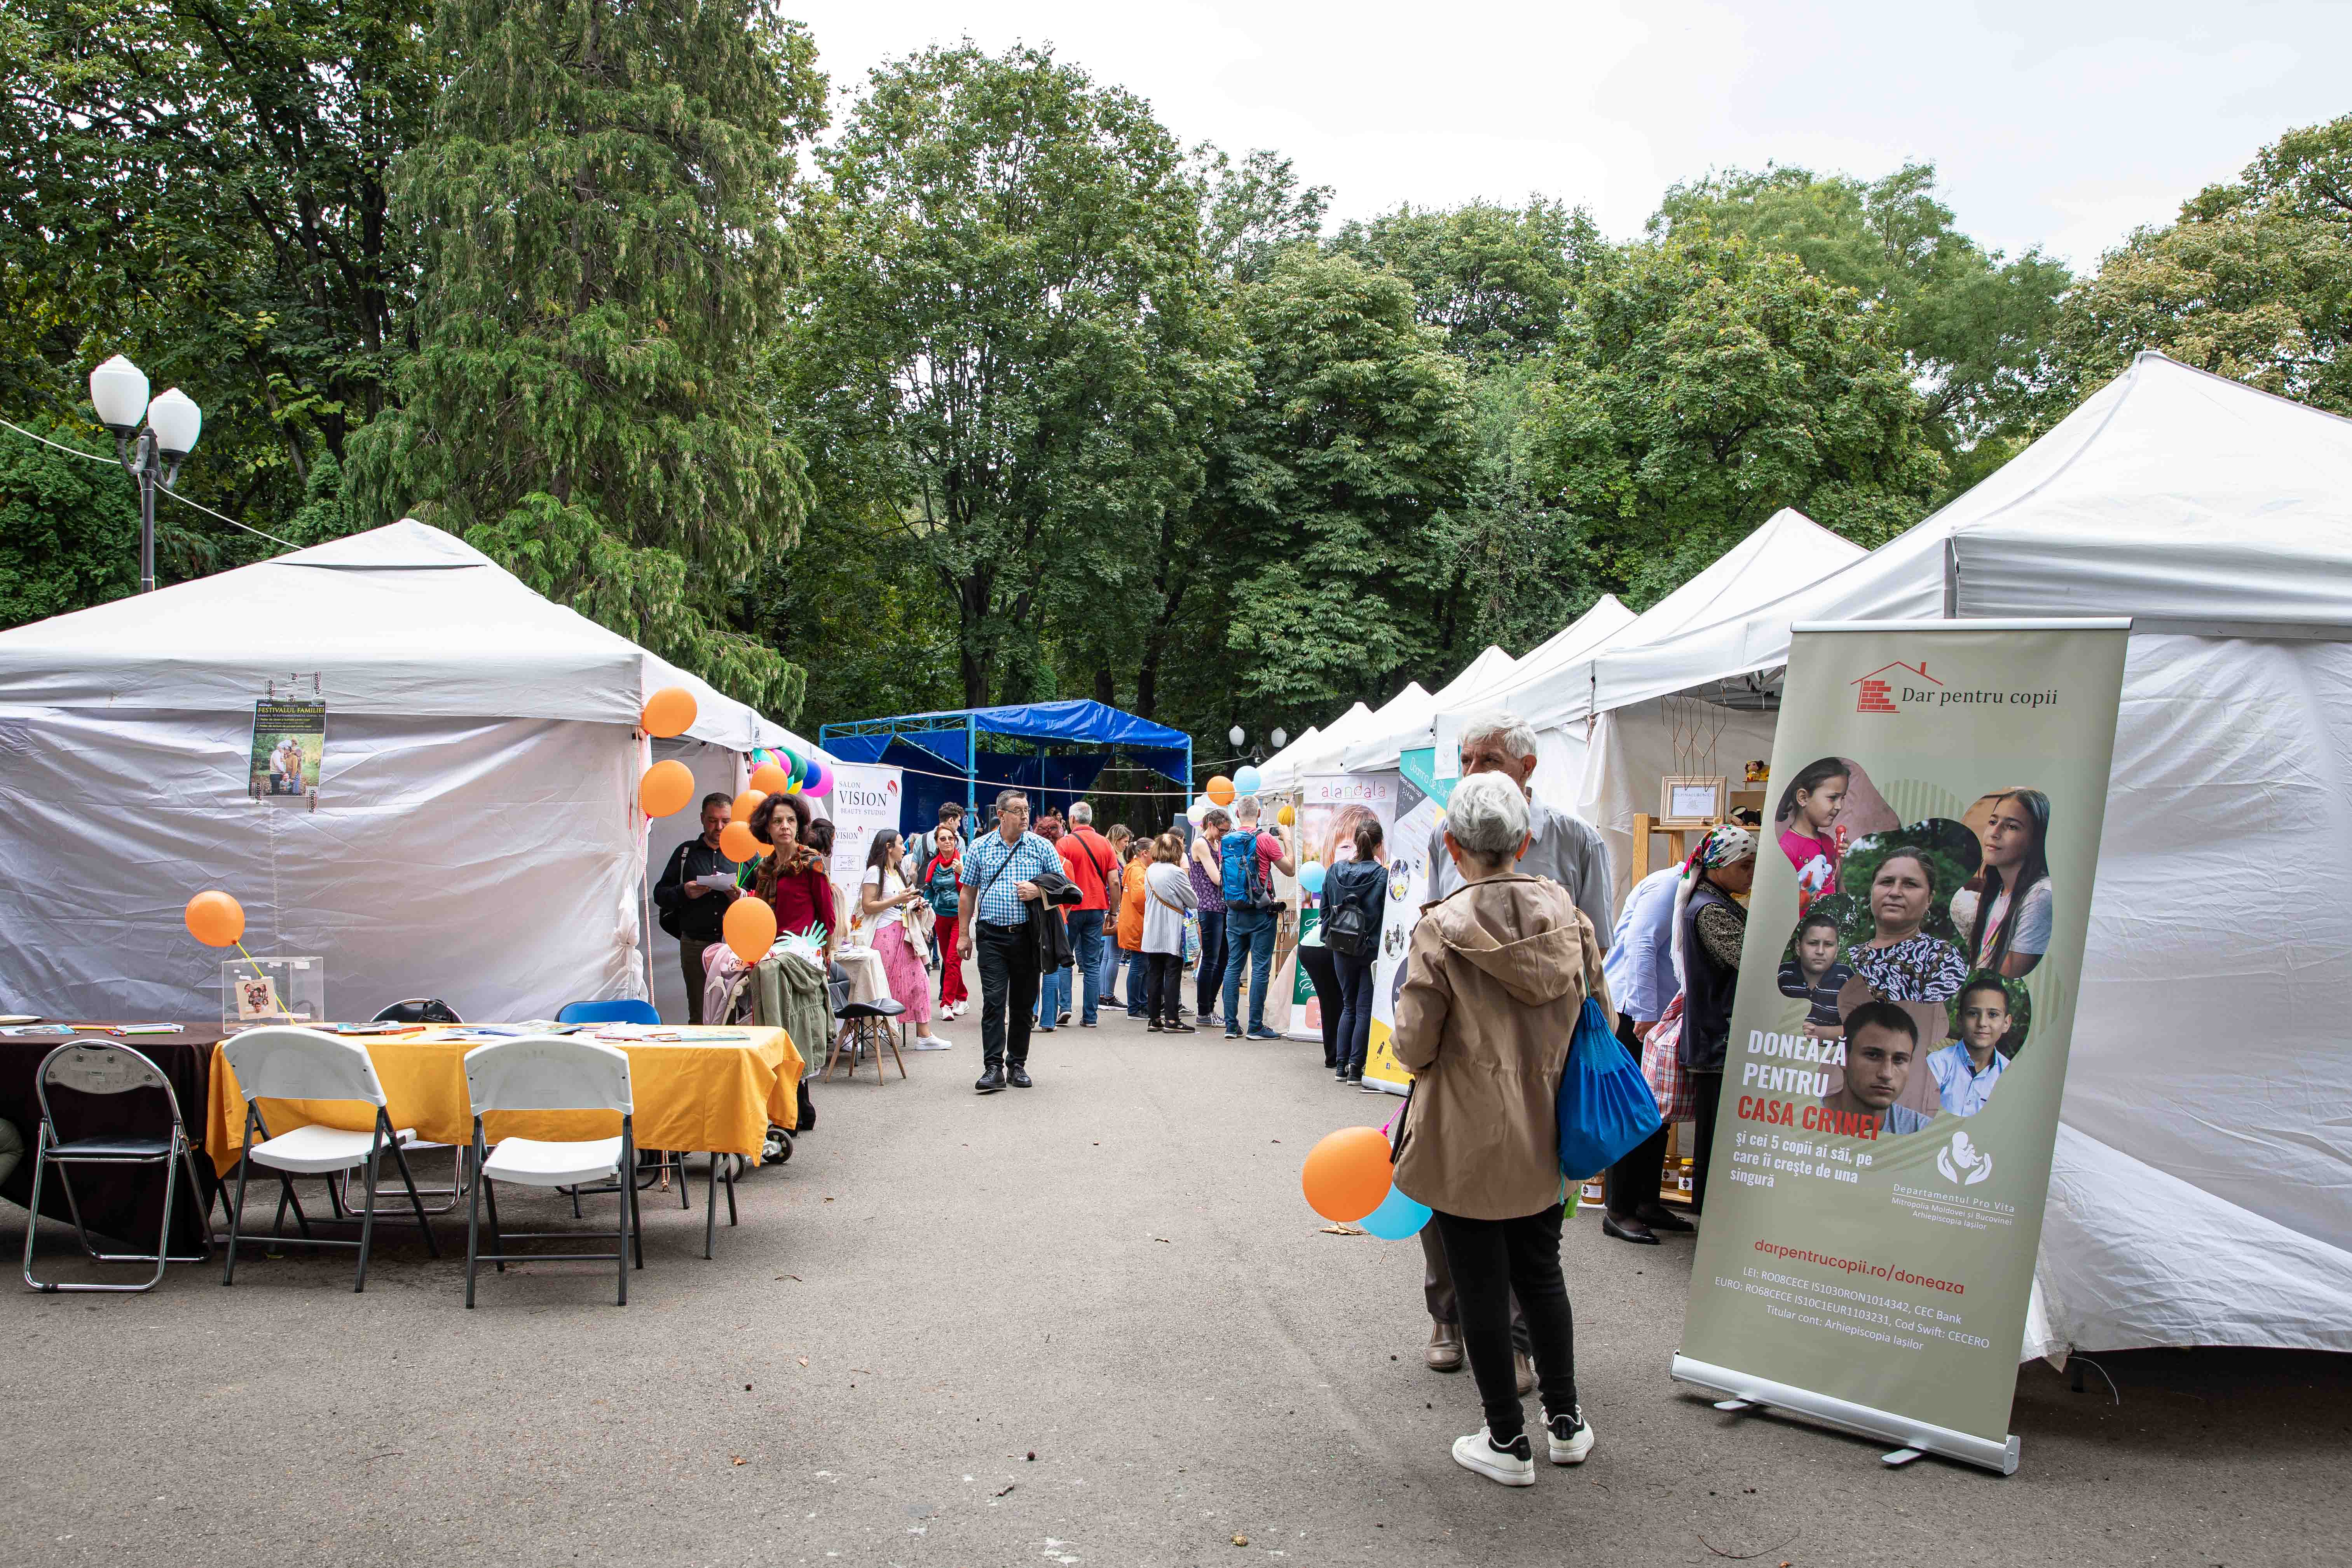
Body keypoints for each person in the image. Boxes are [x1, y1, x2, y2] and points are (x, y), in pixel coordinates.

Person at [1390, 771, 1607, 1487]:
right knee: (1542, 1275)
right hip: (1548, 1129)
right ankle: (1567, 1424)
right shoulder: (1570, 920)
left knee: (1480, 1286)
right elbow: (1595, 1017)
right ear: (1526, 840)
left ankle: (1507, 1441)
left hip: (1464, 1137)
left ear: (1452, 845)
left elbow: (1414, 1044)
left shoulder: (1440, 927)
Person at [1425, 713, 1612, 941]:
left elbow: (1597, 944)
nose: (1472, 772)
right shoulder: (1445, 833)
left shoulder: (1578, 839)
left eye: (1490, 761)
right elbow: (1434, 932)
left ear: (1527, 766)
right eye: (1466, 760)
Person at [1598, 863, 1695, 1245]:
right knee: (1631, 1109)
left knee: (1658, 1109)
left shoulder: (1688, 888)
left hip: (1658, 1010)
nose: (1749, 875)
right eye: (1744, 866)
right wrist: (1642, 1012)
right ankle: (1618, 1210)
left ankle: (1645, 1202)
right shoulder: (1667, 886)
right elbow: (1640, 945)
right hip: (1634, 1011)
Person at [1673, 825, 1757, 1214]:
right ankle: (1709, 1216)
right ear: (1720, 865)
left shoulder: (1712, 901)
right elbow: (1751, 964)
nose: (1751, 874)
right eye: (1746, 866)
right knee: (1714, 1138)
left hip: (1715, 1035)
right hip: (1716, 1037)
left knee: (1715, 1135)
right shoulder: (1710, 911)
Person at [956, 790, 1063, 1093]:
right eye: (1018, 810)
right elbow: (968, 893)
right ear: (1001, 815)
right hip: (992, 936)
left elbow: (1065, 888)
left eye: (1027, 810)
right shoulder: (980, 847)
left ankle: (1017, 1064)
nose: (1026, 816)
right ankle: (993, 1067)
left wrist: (1038, 891)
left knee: (1023, 1003)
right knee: (993, 1001)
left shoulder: (1042, 847)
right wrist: (964, 934)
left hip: (1030, 936)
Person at [653, 793, 745, 1024]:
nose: (720, 827)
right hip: (695, 943)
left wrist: (741, 897)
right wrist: (684, 891)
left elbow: (761, 900)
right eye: (713, 821)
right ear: (702, 819)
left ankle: (730, 1060)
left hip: (734, 947)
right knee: (699, 1010)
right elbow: (660, 894)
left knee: (733, 1012)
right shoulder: (686, 853)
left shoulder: (744, 854)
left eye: (726, 821)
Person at [1949, 789, 2053, 978]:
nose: (1995, 833)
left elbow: (2006, 980)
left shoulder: (2040, 896)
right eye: (1993, 822)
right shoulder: (1997, 891)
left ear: (2037, 839)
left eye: (2012, 827)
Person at [861, 828, 949, 1050]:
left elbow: (900, 902)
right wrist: (899, 900)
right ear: (888, 848)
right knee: (886, 985)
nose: (904, 848)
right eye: (900, 844)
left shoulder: (898, 873)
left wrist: (914, 904)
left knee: (919, 982)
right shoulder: (875, 872)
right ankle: (884, 1030)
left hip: (905, 933)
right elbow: (868, 906)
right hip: (885, 936)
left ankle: (924, 1035)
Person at [1219, 796, 1296, 1040]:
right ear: (1260, 814)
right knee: (1261, 967)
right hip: (1261, 911)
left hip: (1234, 910)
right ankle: (1255, 1027)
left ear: (1238, 814)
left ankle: (1231, 1026)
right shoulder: (1265, 839)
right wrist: (1288, 841)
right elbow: (1290, 869)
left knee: (1233, 966)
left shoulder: (1226, 841)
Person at [1848, 847, 1968, 1003]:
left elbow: (1933, 1024)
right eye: (1886, 882)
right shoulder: (1847, 955)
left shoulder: (1939, 956)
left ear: (1929, 899)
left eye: (1910, 884)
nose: (1895, 892)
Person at [1321, 816, 1387, 1085]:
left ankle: (1340, 1067)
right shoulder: (1383, 876)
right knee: (1363, 1009)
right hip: (1370, 949)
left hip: (1340, 946)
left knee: (1348, 1006)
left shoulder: (1334, 870)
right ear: (1379, 844)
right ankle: (1356, 1070)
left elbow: (1325, 911)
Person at [1819, 1001, 1934, 1136]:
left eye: (1899, 1060)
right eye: (1873, 1055)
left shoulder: (1922, 1131)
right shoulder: (1802, 1113)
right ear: (1843, 1057)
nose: (1886, 1074)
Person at [752, 792, 836, 963]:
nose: (785, 826)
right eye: (777, 821)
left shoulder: (811, 863)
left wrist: (828, 952)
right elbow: (759, 914)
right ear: (767, 828)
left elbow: (827, 916)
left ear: (798, 826)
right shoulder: (764, 868)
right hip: (767, 954)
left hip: (803, 956)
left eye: (791, 820)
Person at [1058, 802, 1121, 1027]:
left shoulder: (1064, 844)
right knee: (1093, 963)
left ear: (1073, 819)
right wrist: (1113, 912)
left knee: (1065, 960)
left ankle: (1065, 1007)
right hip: (1097, 909)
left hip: (1069, 910)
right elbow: (1114, 881)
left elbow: (1058, 879)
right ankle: (1091, 1016)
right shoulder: (1105, 844)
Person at [1140, 831, 1199, 1032]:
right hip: (1171, 928)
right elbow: (1193, 901)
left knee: (1154, 973)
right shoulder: (1176, 873)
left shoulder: (1150, 870)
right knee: (1173, 974)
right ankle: (1173, 1020)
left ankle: (1154, 1019)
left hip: (1152, 929)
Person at [1929, 974, 2012, 1116]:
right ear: (1960, 1020)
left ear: (2006, 1023)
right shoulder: (1937, 1064)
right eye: (1973, 1014)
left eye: (1993, 1015)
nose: (1982, 1023)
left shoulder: (2011, 1077)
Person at [1776, 908, 1853, 1036]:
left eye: (1828, 945)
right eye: (1813, 943)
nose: (1820, 951)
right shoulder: (1782, 975)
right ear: (1798, 947)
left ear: (1837, 950)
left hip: (1829, 1054)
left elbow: (1861, 1027)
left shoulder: (1846, 978)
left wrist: (1822, 1033)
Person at [1187, 808, 1232, 1030]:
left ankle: (1210, 1008)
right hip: (1208, 908)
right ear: (1211, 825)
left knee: (1223, 959)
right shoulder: (1201, 844)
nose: (1224, 834)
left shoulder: (1217, 844)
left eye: (1227, 831)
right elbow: (1216, 878)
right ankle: (1204, 1010)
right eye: (1222, 830)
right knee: (1211, 960)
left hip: (1221, 907)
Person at [1775, 758, 1849, 883]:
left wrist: (1843, 864)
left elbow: (1837, 893)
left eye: (1842, 798)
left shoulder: (1829, 842)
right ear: (1803, 798)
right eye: (1833, 798)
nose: (1839, 806)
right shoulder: (1787, 850)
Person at [921, 823, 968, 1018]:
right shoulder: (933, 865)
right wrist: (927, 919)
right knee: (951, 962)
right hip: (940, 918)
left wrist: (962, 871)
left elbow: (969, 889)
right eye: (943, 839)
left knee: (951, 961)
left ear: (956, 841)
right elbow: (930, 891)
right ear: (937, 843)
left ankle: (946, 1004)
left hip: (960, 917)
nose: (948, 842)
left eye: (951, 838)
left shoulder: (962, 861)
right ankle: (963, 997)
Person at [1117, 831, 1152, 1017]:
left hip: (1136, 924)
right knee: (1139, 967)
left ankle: (1140, 1004)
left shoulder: (1135, 868)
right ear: (1145, 853)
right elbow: (1141, 898)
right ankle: (1135, 1007)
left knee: (1142, 967)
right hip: (1138, 925)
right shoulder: (1138, 870)